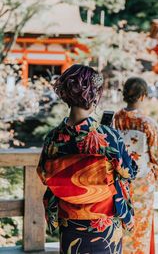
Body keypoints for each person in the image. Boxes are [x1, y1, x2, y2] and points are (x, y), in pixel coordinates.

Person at [37, 64, 137, 254]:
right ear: (94, 96)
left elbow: (44, 173)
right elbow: (128, 172)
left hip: (70, 219)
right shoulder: (108, 136)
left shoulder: (53, 137)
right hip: (104, 220)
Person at [114, 77, 158, 254]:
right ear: (143, 96)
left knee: (121, 221)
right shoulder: (146, 123)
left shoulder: (115, 119)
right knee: (141, 223)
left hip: (120, 180)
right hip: (142, 182)